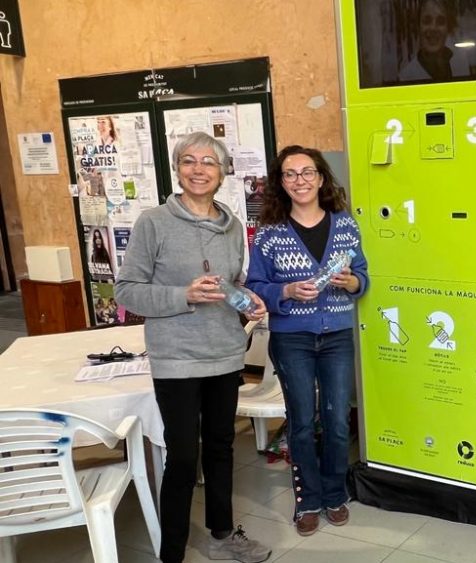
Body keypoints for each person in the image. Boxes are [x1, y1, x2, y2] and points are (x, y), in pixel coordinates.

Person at [115, 132, 271, 563]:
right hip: (176, 358)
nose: (198, 169)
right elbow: (127, 292)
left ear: (222, 172)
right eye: (189, 161)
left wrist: (247, 300)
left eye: (209, 161)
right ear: (178, 169)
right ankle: (172, 552)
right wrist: (183, 295)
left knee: (222, 448)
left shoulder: (233, 225)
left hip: (224, 352)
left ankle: (223, 533)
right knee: (184, 456)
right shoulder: (153, 222)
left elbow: (231, 282)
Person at [246, 146, 369, 537]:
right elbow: (255, 287)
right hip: (291, 337)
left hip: (336, 335)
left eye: (307, 172)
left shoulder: (345, 225)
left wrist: (351, 282)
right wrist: (285, 292)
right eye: (290, 174)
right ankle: (308, 500)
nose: (299, 180)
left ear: (320, 178)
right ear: (281, 183)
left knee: (335, 421)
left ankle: (334, 494)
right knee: (302, 423)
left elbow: (363, 277)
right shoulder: (269, 234)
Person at [399, 0, 470, 82]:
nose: (433, 28)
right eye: (427, 21)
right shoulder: (406, 77)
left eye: (440, 22)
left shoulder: (461, 64)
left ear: (448, 27)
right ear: (418, 27)